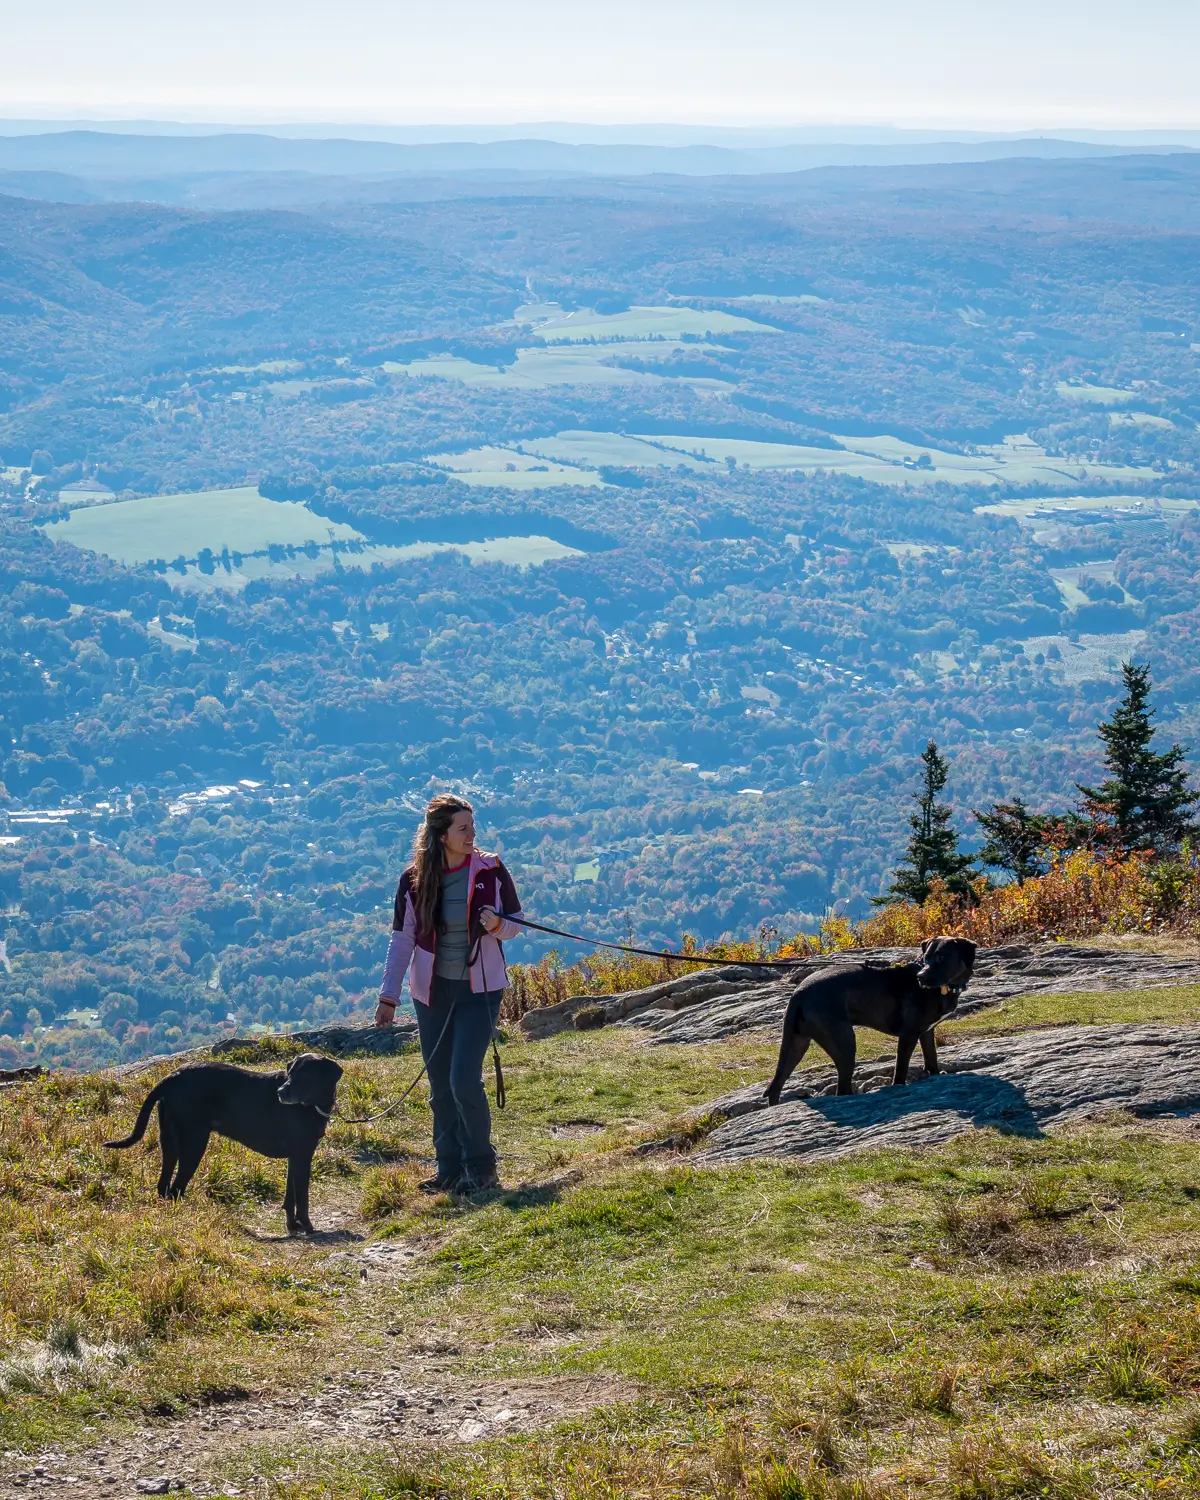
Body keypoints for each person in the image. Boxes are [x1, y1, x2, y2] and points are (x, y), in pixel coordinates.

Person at [374, 793, 524, 1195]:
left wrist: (495, 924)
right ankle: (449, 1169)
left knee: (462, 1080)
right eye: (463, 828)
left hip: (481, 991)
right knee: (439, 1082)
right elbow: (402, 939)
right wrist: (388, 997)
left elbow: (516, 922)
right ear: (441, 835)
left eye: (472, 827)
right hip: (433, 994)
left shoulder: (490, 870)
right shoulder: (413, 880)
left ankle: (481, 1167)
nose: (472, 834)